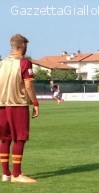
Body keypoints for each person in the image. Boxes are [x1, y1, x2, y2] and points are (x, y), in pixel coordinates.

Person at [0, 34, 39, 183]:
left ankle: (6, 174)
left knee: (4, 139)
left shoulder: (2, 63)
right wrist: (35, 103)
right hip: (18, 104)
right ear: (22, 45)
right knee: (20, 139)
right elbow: (28, 85)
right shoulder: (24, 63)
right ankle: (17, 175)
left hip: (2, 105)